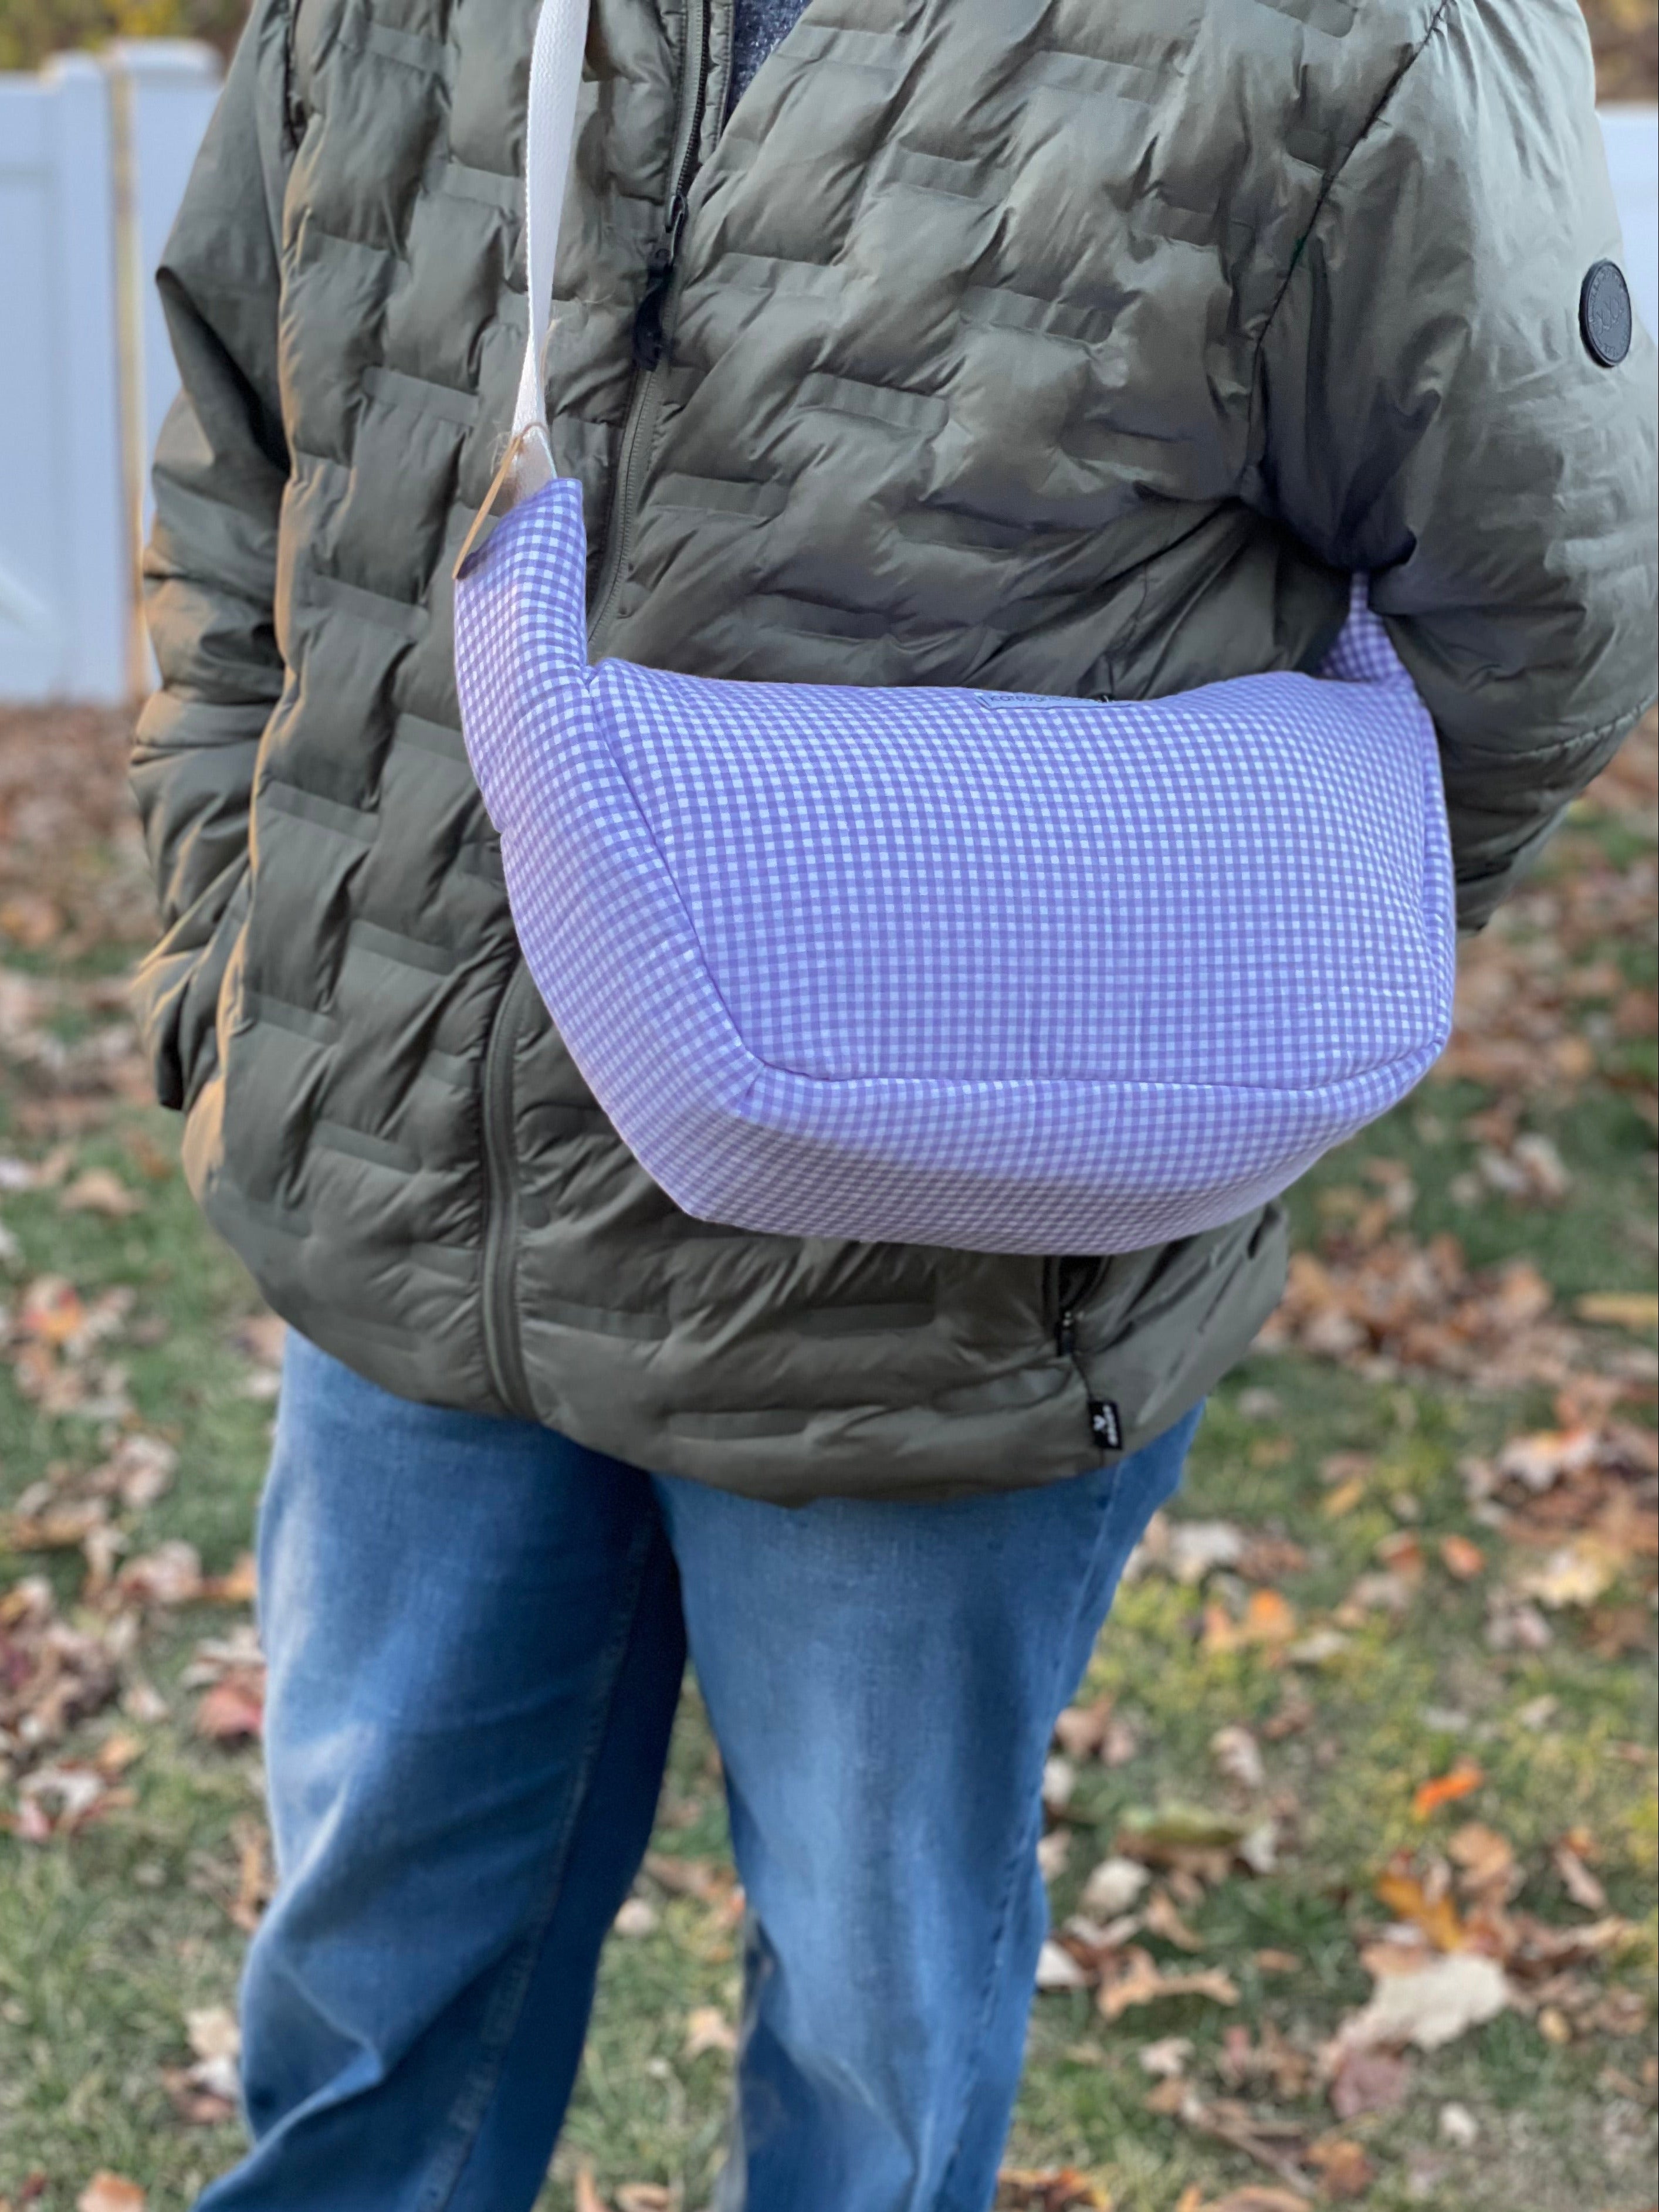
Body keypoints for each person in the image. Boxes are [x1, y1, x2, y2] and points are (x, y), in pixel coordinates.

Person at [134, 0, 1656, 2200]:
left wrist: (1217, 1010)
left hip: (937, 1287)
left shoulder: (1355, 35)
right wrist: (237, 940)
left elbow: (1543, 604)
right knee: (368, 2009)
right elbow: (237, 425)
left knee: (870, 2038)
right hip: (408, 1204)